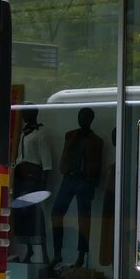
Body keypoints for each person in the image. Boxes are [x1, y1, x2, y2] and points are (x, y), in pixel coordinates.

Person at [50, 107, 105, 269]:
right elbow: (65, 154)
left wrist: (93, 184)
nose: (82, 120)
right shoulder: (70, 135)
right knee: (56, 213)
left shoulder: (97, 141)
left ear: (90, 120)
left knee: (84, 219)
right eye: (81, 116)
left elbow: (98, 164)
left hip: (84, 180)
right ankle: (57, 252)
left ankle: (82, 255)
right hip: (69, 177)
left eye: (86, 117)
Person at [12, 107, 53, 263]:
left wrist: (43, 186)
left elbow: (47, 162)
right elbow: (20, 157)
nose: (23, 116)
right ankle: (28, 250)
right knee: (21, 213)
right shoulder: (24, 133)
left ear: (33, 114)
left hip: (32, 178)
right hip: (21, 177)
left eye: (25, 113)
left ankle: (43, 252)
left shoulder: (40, 134)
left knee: (34, 213)